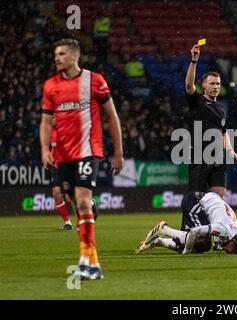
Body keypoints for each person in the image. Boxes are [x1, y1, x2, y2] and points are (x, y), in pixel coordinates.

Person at [40, 38, 124, 280]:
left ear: (75, 56)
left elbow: (112, 116)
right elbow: (46, 121)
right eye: (55, 53)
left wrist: (118, 152)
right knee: (74, 204)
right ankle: (94, 264)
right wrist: (45, 149)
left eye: (62, 53)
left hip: (88, 151)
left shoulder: (94, 81)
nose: (57, 57)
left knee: (84, 202)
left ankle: (85, 262)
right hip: (62, 155)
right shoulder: (50, 86)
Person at [184, 44, 237, 198]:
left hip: (218, 157)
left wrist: (231, 152)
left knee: (219, 195)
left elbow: (223, 132)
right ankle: (194, 222)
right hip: (199, 156)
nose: (215, 86)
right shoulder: (197, 101)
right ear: (203, 85)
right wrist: (194, 61)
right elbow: (189, 85)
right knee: (197, 197)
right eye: (212, 83)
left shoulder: (222, 108)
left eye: (218, 83)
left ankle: (213, 223)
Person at [135, 192, 237, 255]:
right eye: (233, 250)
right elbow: (195, 231)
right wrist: (186, 252)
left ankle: (159, 241)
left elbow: (219, 240)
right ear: (234, 242)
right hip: (195, 202)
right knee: (195, 240)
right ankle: (164, 229)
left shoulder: (234, 232)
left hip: (204, 204)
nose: (230, 252)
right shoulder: (224, 230)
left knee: (201, 245)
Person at [50, 117, 75, 230]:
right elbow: (53, 149)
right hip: (57, 165)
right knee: (56, 192)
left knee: (72, 196)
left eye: (54, 117)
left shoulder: (67, 128)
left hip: (69, 163)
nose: (52, 119)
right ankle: (68, 223)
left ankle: (84, 217)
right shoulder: (51, 131)